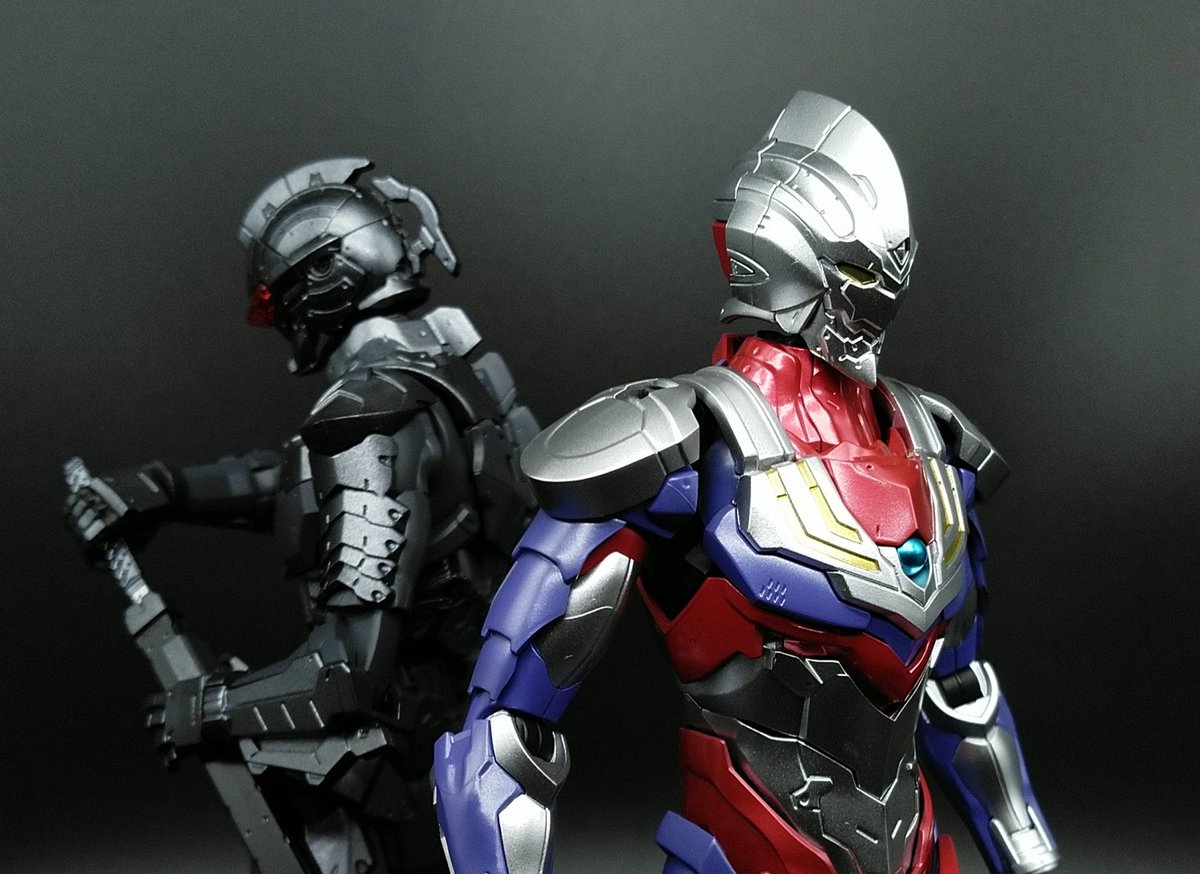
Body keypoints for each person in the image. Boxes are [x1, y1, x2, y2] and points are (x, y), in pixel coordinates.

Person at [432, 93, 1059, 874]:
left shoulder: (932, 447)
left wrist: (1025, 854)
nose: (878, 298)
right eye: (859, 273)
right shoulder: (678, 445)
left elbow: (959, 699)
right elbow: (502, 741)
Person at [66, 158, 538, 874]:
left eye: (278, 301)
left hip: (399, 766)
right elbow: (309, 482)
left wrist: (210, 709)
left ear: (324, 279)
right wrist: (164, 489)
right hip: (473, 737)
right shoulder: (448, 378)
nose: (282, 323)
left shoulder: (370, 413)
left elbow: (346, 672)